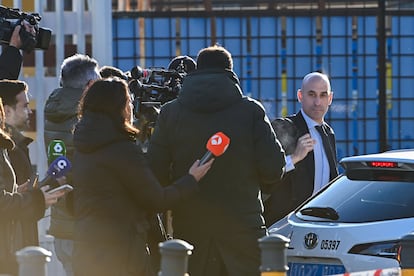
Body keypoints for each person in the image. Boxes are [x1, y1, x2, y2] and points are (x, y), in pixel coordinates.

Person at [147, 45, 286, 276]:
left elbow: (155, 174)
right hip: (244, 233)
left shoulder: (171, 113)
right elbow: (273, 169)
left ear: (196, 71)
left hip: (190, 234)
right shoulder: (250, 111)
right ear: (230, 72)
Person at [71, 77, 213, 276]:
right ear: (120, 108)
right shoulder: (123, 150)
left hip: (86, 249)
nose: (132, 108)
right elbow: (156, 199)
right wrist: (191, 179)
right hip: (122, 254)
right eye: (129, 102)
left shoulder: (81, 147)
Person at [43, 53, 100, 276]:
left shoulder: (54, 108)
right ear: (90, 84)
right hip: (87, 223)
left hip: (62, 222)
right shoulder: (88, 115)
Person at [0, 96, 66, 276]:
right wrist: (36, 199)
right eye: (25, 105)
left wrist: (17, 193)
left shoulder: (7, 145)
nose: (30, 111)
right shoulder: (7, 146)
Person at [263, 71, 339, 227]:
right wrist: (295, 157)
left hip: (319, 224)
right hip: (283, 224)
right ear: (300, 96)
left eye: (323, 95)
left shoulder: (328, 133)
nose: (317, 102)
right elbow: (265, 173)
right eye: (312, 94)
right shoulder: (283, 127)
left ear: (330, 98)